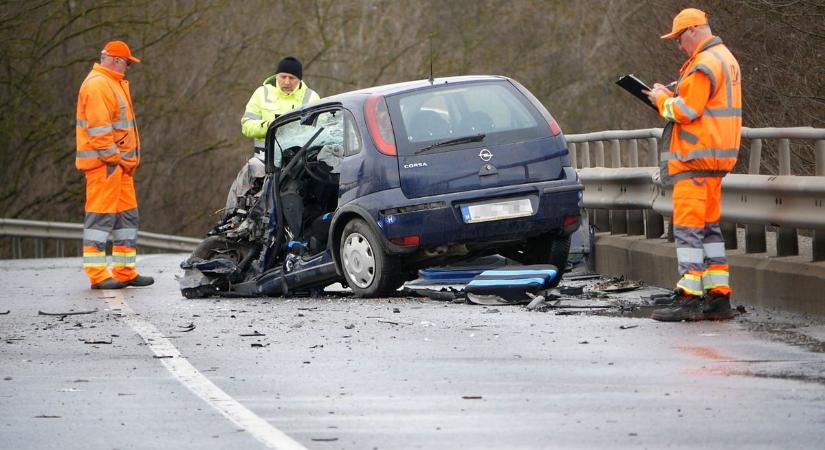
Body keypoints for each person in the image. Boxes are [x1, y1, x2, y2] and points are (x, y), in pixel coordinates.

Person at [643, 8, 742, 321]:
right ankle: (718, 297)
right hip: (714, 161)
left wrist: (661, 100)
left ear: (694, 31)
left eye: (679, 38)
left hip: (695, 159)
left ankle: (689, 298)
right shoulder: (724, 58)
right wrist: (671, 92)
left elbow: (686, 111)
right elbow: (704, 103)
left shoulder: (703, 64)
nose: (678, 45)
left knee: (688, 231)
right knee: (709, 231)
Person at [75, 41, 154, 290]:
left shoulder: (111, 83)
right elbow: (99, 131)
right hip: (106, 166)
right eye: (127, 63)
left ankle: (124, 271)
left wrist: (123, 163)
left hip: (120, 167)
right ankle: (98, 274)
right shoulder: (98, 85)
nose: (128, 67)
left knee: (126, 219)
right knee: (100, 220)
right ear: (117, 61)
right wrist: (114, 159)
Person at [241, 56, 321, 165]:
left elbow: (320, 130)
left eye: (292, 78)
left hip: (300, 162)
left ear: (299, 79)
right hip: (264, 160)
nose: (287, 82)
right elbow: (247, 126)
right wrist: (270, 126)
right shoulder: (261, 93)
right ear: (276, 76)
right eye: (283, 77)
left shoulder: (312, 97)